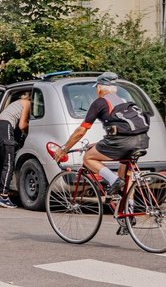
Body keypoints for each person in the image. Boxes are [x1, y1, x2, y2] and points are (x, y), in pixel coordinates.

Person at [54, 73, 151, 205]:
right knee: (127, 177)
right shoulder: (125, 101)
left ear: (99, 88)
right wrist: (99, 143)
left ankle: (113, 180)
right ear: (115, 88)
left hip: (121, 143)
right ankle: (128, 215)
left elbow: (81, 131)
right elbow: (124, 128)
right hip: (141, 140)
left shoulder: (100, 102)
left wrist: (64, 149)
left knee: (88, 158)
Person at [0, 92, 32, 208]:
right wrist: (29, 133)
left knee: (0, 164)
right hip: (4, 127)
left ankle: (1, 193)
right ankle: (3, 197)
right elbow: (22, 126)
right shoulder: (27, 103)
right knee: (9, 163)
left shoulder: (16, 103)